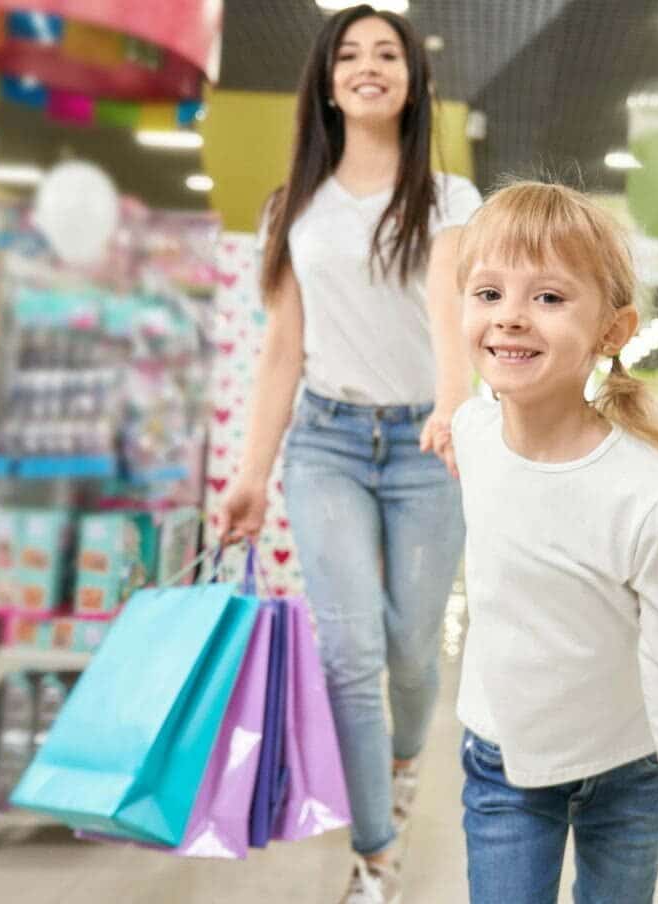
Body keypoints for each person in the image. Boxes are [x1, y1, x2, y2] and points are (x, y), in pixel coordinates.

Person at [449, 182, 658, 904]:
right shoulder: (470, 434)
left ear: (612, 330)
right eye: (487, 293)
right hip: (504, 762)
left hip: (628, 774)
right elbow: (465, 444)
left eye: (548, 297)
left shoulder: (649, 499)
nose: (510, 316)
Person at [216, 6, 480, 902]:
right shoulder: (292, 208)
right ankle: (374, 855)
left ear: (413, 80)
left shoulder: (451, 200)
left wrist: (453, 409)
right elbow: (282, 348)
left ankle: (403, 759)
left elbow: (450, 313)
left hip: (423, 447)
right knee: (348, 648)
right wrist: (251, 472)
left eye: (387, 54)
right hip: (325, 441)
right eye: (351, 55)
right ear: (327, 83)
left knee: (412, 648)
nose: (369, 66)